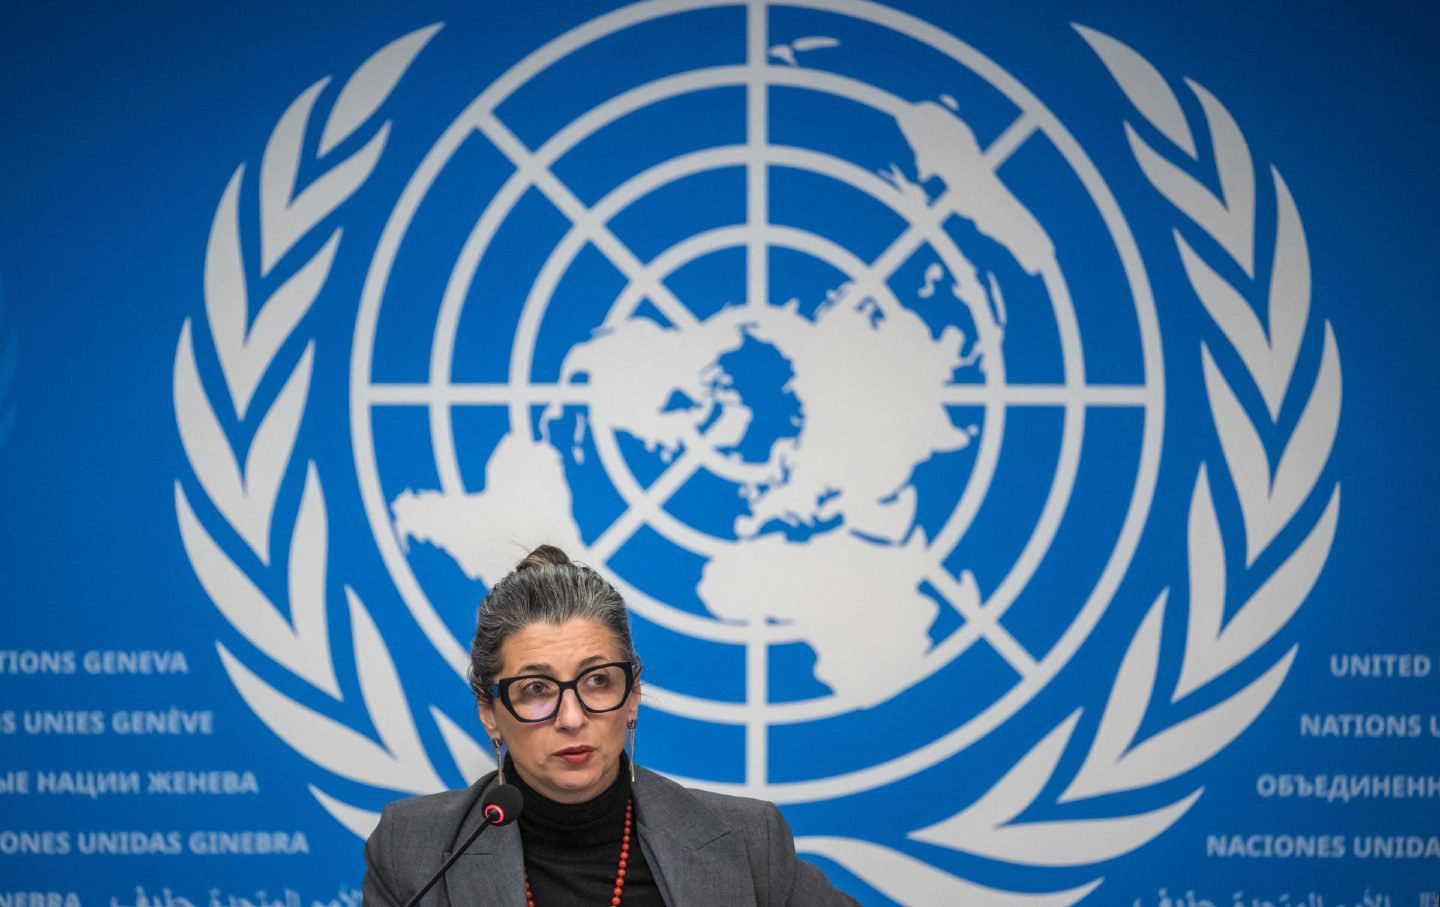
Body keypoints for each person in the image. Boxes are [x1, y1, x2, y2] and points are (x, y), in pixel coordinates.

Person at [363, 544, 859, 906]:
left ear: (633, 695)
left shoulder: (748, 841)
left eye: (598, 681)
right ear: (489, 712)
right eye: (536, 689)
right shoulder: (415, 850)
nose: (572, 717)